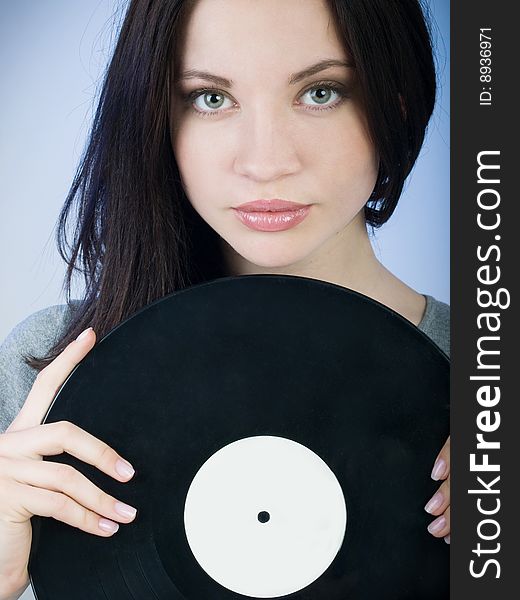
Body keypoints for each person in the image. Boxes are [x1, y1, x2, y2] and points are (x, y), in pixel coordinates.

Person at [0, 1, 450, 598]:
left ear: (397, 104)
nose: (265, 162)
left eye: (321, 92)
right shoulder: (47, 369)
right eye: (210, 98)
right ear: (158, 118)